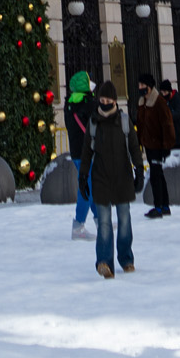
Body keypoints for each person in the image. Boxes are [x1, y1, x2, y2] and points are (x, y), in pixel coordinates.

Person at [78, 79, 144, 277]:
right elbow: (86, 153)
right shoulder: (93, 122)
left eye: (108, 99)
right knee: (104, 222)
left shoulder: (124, 121)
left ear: (115, 101)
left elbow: (134, 147)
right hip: (101, 178)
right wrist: (82, 176)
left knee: (124, 220)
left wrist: (139, 170)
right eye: (102, 99)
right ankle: (104, 262)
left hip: (122, 177)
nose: (104, 103)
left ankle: (126, 258)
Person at [64, 70, 98, 240]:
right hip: (89, 151)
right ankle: (78, 226)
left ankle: (100, 220)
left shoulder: (69, 104)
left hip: (76, 151)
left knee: (89, 185)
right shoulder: (89, 103)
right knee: (87, 188)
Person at [135, 72, 175, 217]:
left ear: (149, 87)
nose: (140, 87)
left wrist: (167, 146)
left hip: (158, 145)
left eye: (142, 85)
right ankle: (164, 206)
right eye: (139, 85)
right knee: (158, 174)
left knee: (155, 175)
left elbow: (167, 125)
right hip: (148, 144)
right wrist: (138, 142)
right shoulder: (142, 103)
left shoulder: (159, 103)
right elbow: (140, 124)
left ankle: (158, 207)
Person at [160, 78, 180, 152]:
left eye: (165, 92)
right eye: (162, 92)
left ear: (169, 91)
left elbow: (179, 112)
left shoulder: (177, 99)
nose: (164, 94)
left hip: (179, 139)